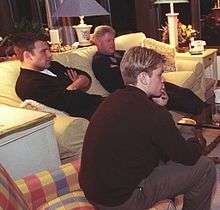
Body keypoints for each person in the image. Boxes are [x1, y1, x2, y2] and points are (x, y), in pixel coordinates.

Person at [79, 47, 216, 210]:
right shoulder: (152, 113)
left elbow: (152, 135)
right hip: (121, 201)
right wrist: (196, 141)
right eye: (159, 74)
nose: (163, 80)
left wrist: (161, 108)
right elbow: (187, 157)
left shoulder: (112, 99)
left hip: (95, 192)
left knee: (164, 152)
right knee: (205, 166)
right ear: (143, 78)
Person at [91, 25, 206, 115]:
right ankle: (205, 116)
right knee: (178, 100)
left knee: (185, 92)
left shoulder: (119, 54)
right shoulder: (99, 62)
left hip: (149, 82)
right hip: (136, 93)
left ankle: (209, 112)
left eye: (113, 40)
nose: (112, 44)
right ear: (99, 43)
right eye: (108, 41)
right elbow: (118, 83)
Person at [14, 33, 103, 120]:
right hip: (92, 115)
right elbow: (69, 103)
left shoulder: (53, 66)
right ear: (27, 55)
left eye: (48, 50)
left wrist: (70, 89)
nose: (49, 55)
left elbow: (86, 77)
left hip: (98, 103)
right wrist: (75, 85)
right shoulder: (29, 84)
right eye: (43, 51)